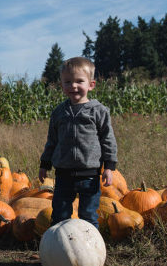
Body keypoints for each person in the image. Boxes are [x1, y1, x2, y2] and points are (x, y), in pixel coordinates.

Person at [38, 56, 118, 229]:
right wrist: (45, 164)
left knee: (88, 216)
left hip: (89, 174)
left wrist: (109, 167)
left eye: (79, 81)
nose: (73, 86)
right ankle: (59, 250)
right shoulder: (59, 112)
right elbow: (52, 140)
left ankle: (91, 251)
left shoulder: (99, 111)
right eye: (67, 82)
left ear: (91, 85)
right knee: (60, 215)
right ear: (62, 85)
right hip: (63, 173)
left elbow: (108, 139)